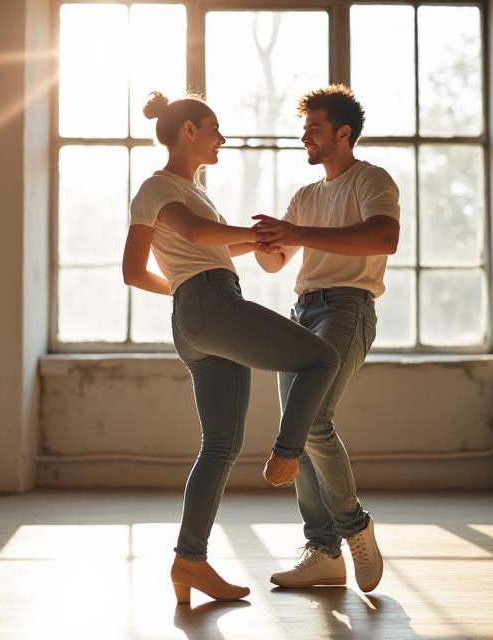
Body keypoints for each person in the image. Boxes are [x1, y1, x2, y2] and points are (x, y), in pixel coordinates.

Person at [122, 91, 340, 604]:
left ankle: (189, 562)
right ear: (189, 131)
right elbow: (189, 240)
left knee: (219, 446)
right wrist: (255, 233)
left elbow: (206, 246)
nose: (222, 138)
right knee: (321, 357)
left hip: (198, 313)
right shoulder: (158, 187)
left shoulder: (195, 192)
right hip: (210, 305)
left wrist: (257, 242)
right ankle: (288, 453)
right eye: (214, 127)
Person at [253, 84, 400, 593]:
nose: (304, 138)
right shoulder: (306, 195)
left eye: (314, 129)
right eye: (305, 129)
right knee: (300, 426)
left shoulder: (371, 180)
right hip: (302, 310)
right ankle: (323, 551)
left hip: (347, 308)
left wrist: (294, 235)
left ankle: (354, 526)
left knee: (312, 421)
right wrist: (266, 239)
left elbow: (384, 238)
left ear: (344, 133)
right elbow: (276, 263)